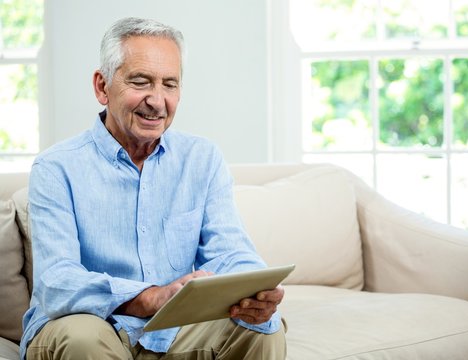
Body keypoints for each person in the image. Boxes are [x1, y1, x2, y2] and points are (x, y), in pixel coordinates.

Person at [20, 17, 286, 360]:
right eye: (141, 81)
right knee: (84, 337)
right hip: (89, 325)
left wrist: (256, 289)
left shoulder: (201, 159)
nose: (157, 101)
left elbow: (230, 251)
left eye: (170, 85)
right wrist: (147, 297)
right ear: (102, 86)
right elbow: (56, 281)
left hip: (172, 329)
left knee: (262, 327)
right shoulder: (56, 168)